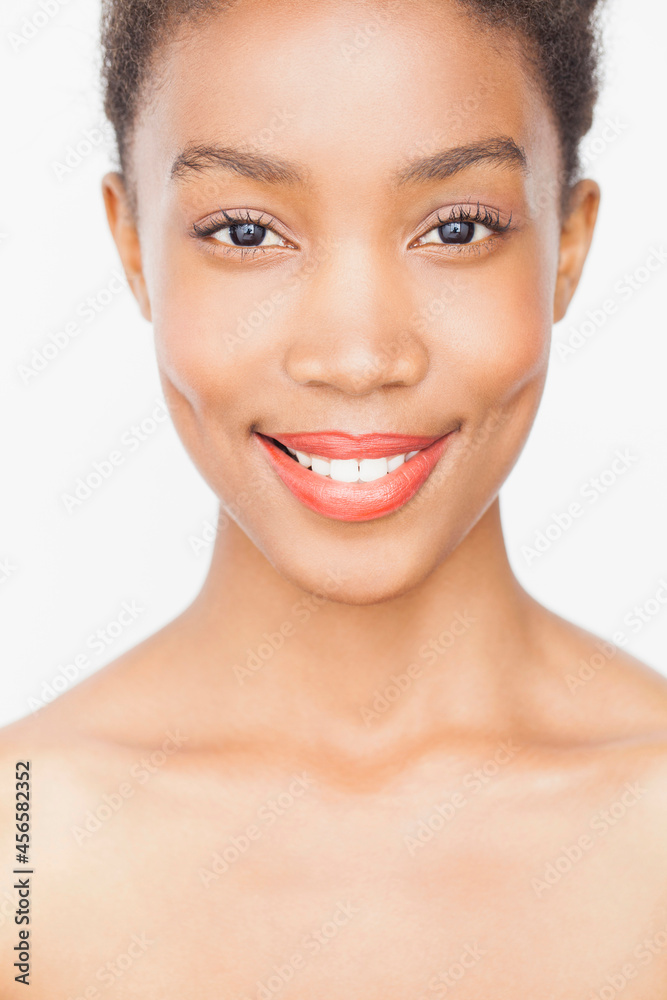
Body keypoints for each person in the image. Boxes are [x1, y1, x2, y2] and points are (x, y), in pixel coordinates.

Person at [2, 0, 667, 995]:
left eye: (455, 228)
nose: (357, 356)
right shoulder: (22, 855)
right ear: (133, 246)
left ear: (566, 248)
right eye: (243, 231)